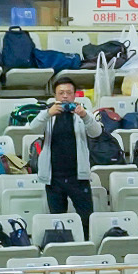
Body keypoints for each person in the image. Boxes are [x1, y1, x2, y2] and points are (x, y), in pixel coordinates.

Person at [36, 77, 99, 231]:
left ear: (74, 95)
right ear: (55, 95)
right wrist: (47, 114)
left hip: (78, 177)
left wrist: (85, 116)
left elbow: (96, 132)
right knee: (57, 221)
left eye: (69, 93)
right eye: (61, 93)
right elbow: (32, 128)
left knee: (86, 219)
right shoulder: (48, 113)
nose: (65, 96)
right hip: (53, 177)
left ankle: (86, 243)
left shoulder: (82, 113)